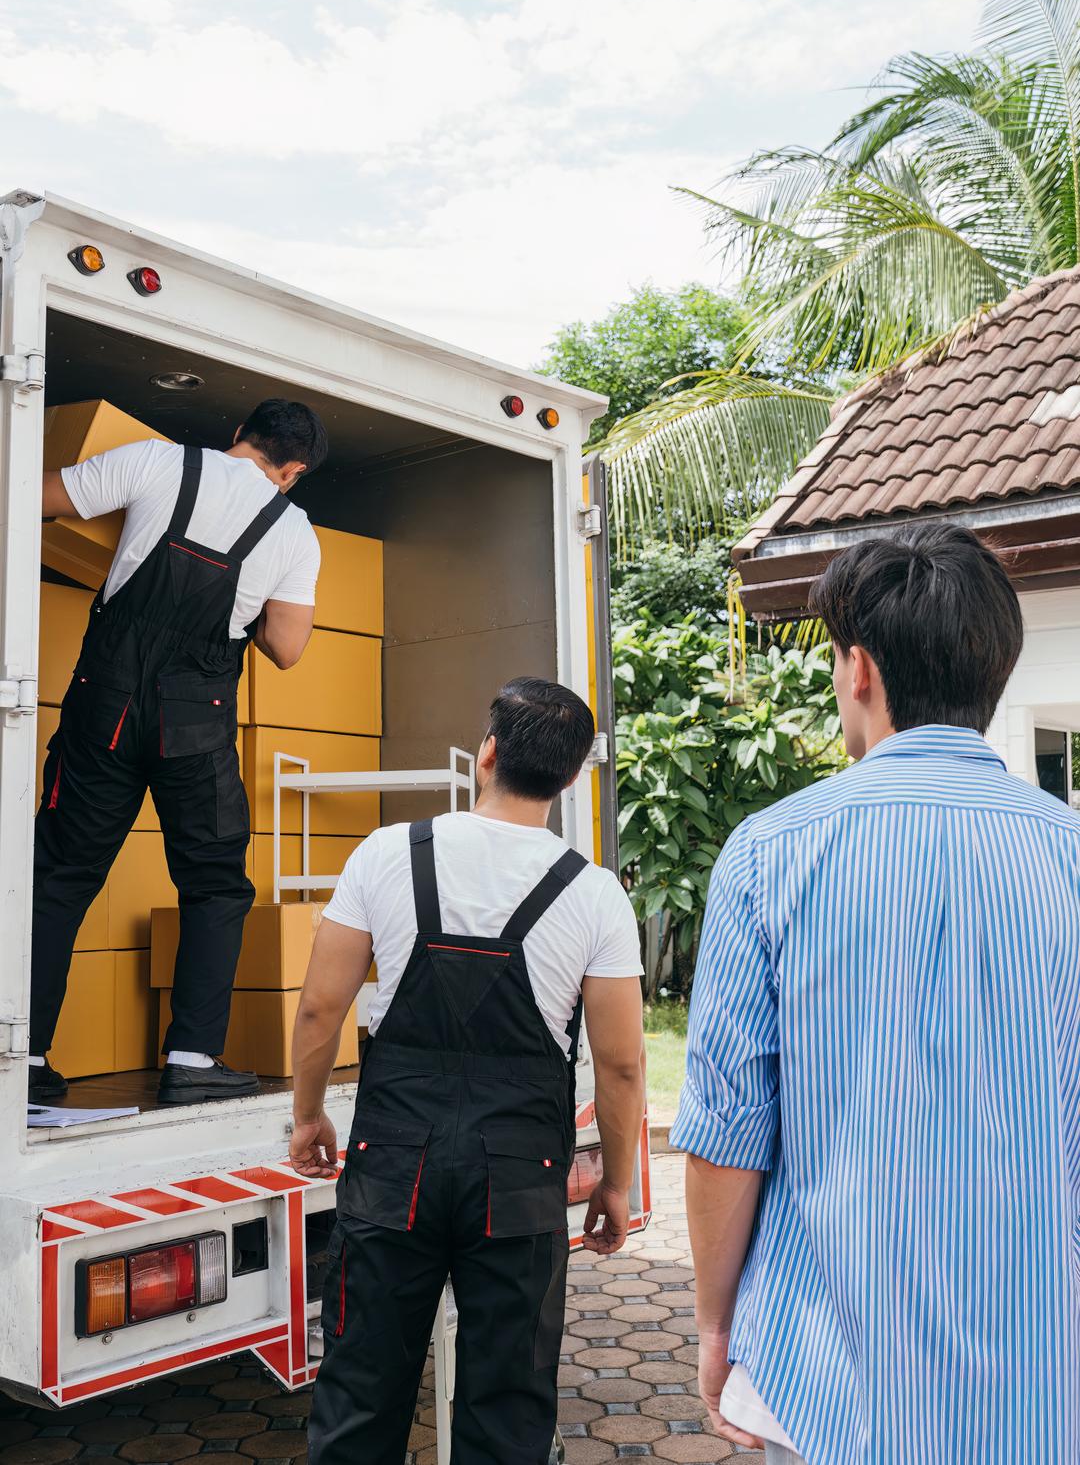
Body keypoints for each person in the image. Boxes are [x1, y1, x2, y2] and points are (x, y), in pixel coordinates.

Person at [672, 524, 1080, 1464]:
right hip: (1042, 1381)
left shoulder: (773, 851)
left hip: (832, 1385)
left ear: (859, 669)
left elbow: (728, 1129)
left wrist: (714, 1324)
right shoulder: (1066, 855)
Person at [288, 676, 646, 1465]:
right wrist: (614, 1183)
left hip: (393, 1168)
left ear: (487, 753)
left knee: (360, 1397)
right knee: (506, 1410)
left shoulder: (388, 852)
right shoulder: (593, 894)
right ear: (572, 776)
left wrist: (307, 1112)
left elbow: (319, 1007)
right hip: (517, 1181)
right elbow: (620, 1065)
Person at [31, 398, 327, 1106]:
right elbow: (287, 647)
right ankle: (192, 1059)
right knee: (216, 883)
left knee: (61, 874)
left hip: (105, 703)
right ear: (291, 471)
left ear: (236, 435)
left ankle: (25, 1056)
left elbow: (37, 498)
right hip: (195, 725)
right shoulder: (291, 530)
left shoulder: (156, 460)